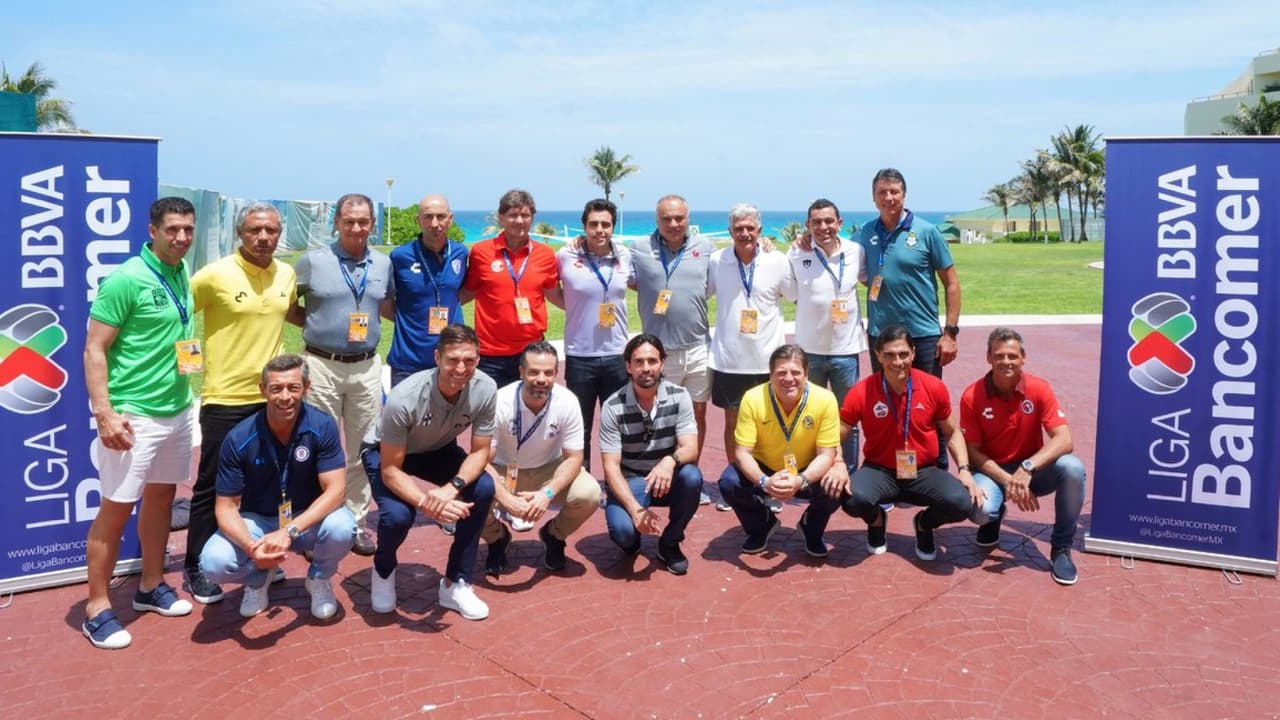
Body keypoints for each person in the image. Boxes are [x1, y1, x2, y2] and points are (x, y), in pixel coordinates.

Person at [81, 197, 199, 649]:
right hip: (134, 414)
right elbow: (95, 349)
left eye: (188, 229)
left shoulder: (181, 271)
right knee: (115, 510)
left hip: (177, 408)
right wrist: (105, 413)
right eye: (172, 230)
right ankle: (97, 607)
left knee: (161, 499)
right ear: (152, 231)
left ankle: (150, 585)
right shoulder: (126, 279)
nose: (181, 238)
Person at [182, 202, 296, 605]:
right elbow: (179, 315)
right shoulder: (214, 275)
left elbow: (290, 313)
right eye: (254, 230)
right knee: (213, 484)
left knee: (269, 482)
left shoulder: (286, 274)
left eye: (271, 230)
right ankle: (196, 565)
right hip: (225, 397)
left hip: (274, 398)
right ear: (239, 233)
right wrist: (185, 361)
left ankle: (262, 556)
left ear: (279, 233)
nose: (263, 237)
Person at [198, 355, 355, 620]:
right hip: (258, 522)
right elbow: (225, 508)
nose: (285, 397)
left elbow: (336, 491)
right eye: (276, 388)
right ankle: (259, 578)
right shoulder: (238, 437)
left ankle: (319, 578)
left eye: (293, 388)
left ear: (306, 387)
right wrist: (252, 548)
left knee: (343, 526)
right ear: (263, 390)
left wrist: (290, 531)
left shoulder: (323, 425)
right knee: (213, 563)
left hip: (306, 520)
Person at [361, 324, 497, 620]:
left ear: (478, 359)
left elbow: (480, 452)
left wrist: (451, 489)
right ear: (437, 358)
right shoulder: (405, 397)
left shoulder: (486, 388)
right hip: (387, 453)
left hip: (436, 447)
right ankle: (383, 570)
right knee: (398, 516)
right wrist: (429, 503)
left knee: (484, 488)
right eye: (453, 360)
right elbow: (390, 470)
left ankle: (456, 582)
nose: (461, 368)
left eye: (469, 360)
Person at [289, 193, 394, 556]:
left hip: (366, 365)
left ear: (372, 224)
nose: (356, 228)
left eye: (363, 221)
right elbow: (289, 307)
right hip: (321, 364)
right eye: (349, 221)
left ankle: (356, 523)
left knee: (363, 448)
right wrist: (318, 326)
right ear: (336, 222)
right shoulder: (312, 262)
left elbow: (386, 305)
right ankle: (314, 525)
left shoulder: (383, 264)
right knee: (316, 446)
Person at [834, 325, 984, 561]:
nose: (897, 362)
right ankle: (876, 521)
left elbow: (952, 432)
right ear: (878, 356)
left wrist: (964, 470)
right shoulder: (862, 391)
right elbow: (836, 433)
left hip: (922, 471)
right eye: (890, 355)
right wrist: (838, 462)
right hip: (879, 470)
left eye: (903, 354)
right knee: (851, 498)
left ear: (913, 353)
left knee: (962, 503)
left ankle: (924, 524)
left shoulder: (933, 386)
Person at [961, 327, 1086, 585]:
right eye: (999, 356)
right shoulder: (972, 396)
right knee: (981, 510)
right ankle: (993, 518)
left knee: (1073, 469)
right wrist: (1010, 481)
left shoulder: (1039, 388)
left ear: (1023, 358)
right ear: (988, 357)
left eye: (1012, 356)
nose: (1006, 361)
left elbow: (1065, 440)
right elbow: (972, 452)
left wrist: (1027, 467)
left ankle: (1061, 548)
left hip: (1032, 471)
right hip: (993, 472)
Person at [480, 342, 600, 575]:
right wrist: (505, 498)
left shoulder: (568, 401)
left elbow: (574, 458)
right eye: (534, 372)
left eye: (548, 373)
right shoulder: (499, 401)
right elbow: (482, 459)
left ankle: (554, 534)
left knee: (589, 494)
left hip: (549, 468)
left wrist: (547, 494)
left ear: (556, 373)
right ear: (521, 372)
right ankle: (496, 538)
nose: (541, 379)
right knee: (470, 496)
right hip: (503, 469)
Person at [628, 195, 715, 504]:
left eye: (679, 218)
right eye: (667, 218)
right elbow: (621, 271)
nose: (674, 224)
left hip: (698, 348)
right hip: (657, 353)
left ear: (688, 218)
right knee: (658, 418)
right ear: (657, 220)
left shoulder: (705, 247)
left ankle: (690, 480)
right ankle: (655, 478)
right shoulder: (638, 248)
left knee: (697, 415)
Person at [717, 345, 842, 558]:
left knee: (837, 483)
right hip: (764, 466)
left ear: (806, 374)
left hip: (807, 466)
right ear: (771, 375)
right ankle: (761, 525)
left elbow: (826, 454)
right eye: (781, 372)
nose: (788, 379)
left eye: (796, 372)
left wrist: (800, 480)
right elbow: (742, 453)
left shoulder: (825, 399)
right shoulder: (752, 398)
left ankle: (812, 528)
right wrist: (764, 481)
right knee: (729, 483)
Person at [598, 334, 703, 575]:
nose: (646, 368)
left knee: (692, 476)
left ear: (662, 364)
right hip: (631, 479)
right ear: (628, 366)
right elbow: (610, 467)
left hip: (666, 478)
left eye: (652, 361)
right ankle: (632, 533)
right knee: (624, 536)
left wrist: (669, 461)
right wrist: (635, 510)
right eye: (639, 362)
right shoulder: (612, 406)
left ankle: (670, 542)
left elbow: (691, 448)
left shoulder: (680, 396)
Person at [708, 203, 790, 512]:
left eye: (750, 228)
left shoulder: (777, 260)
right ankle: (737, 487)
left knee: (772, 425)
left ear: (760, 230)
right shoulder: (717, 260)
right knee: (733, 424)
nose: (744, 233)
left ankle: (772, 485)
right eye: (738, 228)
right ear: (730, 231)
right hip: (729, 359)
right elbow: (699, 291)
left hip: (768, 360)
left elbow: (795, 294)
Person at [784, 198, 867, 472]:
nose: (823, 227)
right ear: (808, 225)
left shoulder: (856, 251)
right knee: (809, 417)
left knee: (848, 418)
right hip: (809, 352)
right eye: (816, 222)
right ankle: (812, 475)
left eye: (829, 221)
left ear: (839, 223)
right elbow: (788, 292)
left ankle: (849, 473)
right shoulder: (797, 252)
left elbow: (869, 280)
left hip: (846, 351)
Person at [854, 169, 962, 376]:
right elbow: (835, 251)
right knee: (885, 395)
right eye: (882, 192)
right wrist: (806, 239)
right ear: (873, 197)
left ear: (904, 194)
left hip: (923, 335)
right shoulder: (864, 233)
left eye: (894, 192)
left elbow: (952, 284)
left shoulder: (927, 232)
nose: (888, 198)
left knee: (927, 394)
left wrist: (950, 333)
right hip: (881, 335)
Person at [551, 198, 632, 472]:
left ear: (613, 227)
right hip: (580, 356)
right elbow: (550, 289)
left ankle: (617, 481)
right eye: (594, 224)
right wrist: (575, 306)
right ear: (584, 226)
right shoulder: (566, 255)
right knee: (579, 427)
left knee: (616, 426)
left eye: (606, 224)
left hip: (617, 355)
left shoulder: (625, 256)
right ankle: (580, 481)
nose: (600, 230)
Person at [462, 189, 560, 389]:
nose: (519, 220)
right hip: (490, 354)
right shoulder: (481, 252)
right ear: (501, 217)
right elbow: (468, 292)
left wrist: (591, 305)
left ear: (532, 218)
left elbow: (555, 295)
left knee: (534, 405)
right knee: (491, 407)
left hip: (532, 352)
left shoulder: (546, 254)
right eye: (513, 215)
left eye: (525, 215)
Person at [387, 194, 468, 387]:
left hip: (452, 358)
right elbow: (385, 303)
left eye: (441, 216)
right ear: (418, 220)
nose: (434, 223)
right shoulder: (400, 256)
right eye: (428, 217)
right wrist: (410, 321)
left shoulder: (460, 253)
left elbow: (465, 292)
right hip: (409, 361)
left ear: (450, 219)